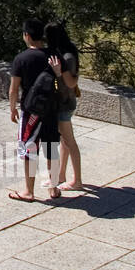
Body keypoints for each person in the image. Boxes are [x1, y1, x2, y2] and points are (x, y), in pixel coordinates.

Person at [8, 17, 61, 201]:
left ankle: (29, 191)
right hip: (51, 109)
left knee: (30, 150)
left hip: (31, 111)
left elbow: (14, 88)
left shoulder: (21, 59)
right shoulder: (53, 55)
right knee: (52, 148)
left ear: (27, 36)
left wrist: (12, 108)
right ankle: (53, 188)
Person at [45, 20, 84, 192]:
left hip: (64, 104)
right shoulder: (68, 51)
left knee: (69, 142)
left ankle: (77, 181)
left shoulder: (66, 57)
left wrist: (57, 72)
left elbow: (69, 82)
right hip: (64, 103)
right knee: (64, 141)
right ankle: (61, 175)